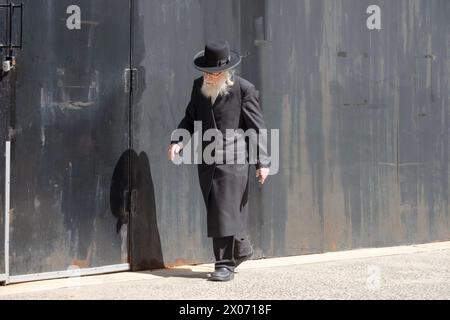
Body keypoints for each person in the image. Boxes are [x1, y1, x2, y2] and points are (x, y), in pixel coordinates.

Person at [167, 40, 270, 281]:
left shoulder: (244, 89)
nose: (209, 78)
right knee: (220, 209)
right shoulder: (198, 87)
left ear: (226, 72)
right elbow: (190, 117)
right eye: (206, 73)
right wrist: (178, 140)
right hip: (206, 159)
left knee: (222, 209)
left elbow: (257, 127)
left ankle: (224, 265)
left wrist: (262, 162)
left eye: (214, 74)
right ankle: (241, 249)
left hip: (234, 159)